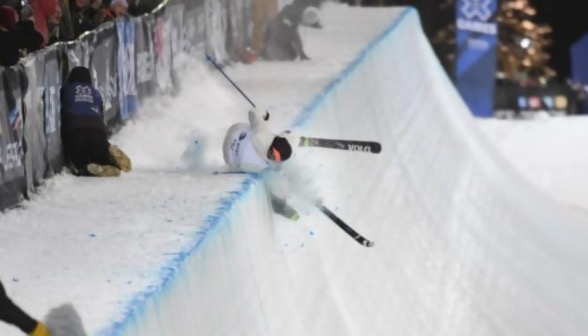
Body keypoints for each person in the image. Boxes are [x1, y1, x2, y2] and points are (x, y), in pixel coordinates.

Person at [222, 108, 299, 220]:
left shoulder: (262, 132)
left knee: (270, 179)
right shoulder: (262, 135)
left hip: (231, 149)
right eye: (274, 153)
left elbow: (253, 112)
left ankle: (280, 205)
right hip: (232, 148)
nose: (272, 156)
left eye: (276, 157)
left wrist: (263, 115)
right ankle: (280, 206)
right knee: (269, 181)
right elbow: (254, 113)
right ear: (274, 145)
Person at [60, 66, 132, 177]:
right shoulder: (96, 93)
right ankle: (108, 155)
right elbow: (100, 114)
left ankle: (86, 167)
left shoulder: (66, 90)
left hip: (76, 131)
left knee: (80, 161)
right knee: (99, 153)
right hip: (98, 131)